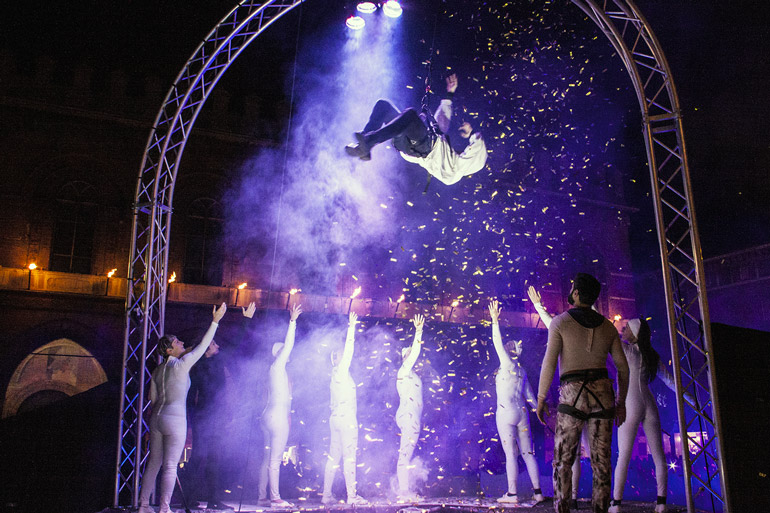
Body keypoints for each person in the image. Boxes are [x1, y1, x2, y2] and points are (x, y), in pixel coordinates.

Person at [535, 274, 629, 513]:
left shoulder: (560, 323)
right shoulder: (608, 326)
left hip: (572, 394)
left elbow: (549, 362)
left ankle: (563, 509)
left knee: (563, 462)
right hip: (603, 395)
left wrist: (541, 398)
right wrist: (621, 402)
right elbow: (623, 368)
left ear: (576, 293)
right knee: (602, 464)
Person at [138, 303, 228, 513]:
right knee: (170, 466)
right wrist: (215, 322)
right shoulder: (182, 364)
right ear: (169, 350)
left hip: (157, 417)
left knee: (154, 463)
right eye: (177, 342)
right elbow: (202, 346)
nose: (182, 343)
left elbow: (152, 399)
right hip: (174, 417)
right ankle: (164, 508)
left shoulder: (158, 370)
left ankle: (143, 505)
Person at [344, 74, 488, 186]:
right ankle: (364, 146)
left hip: (422, 147)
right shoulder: (446, 148)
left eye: (466, 152)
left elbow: (479, 153)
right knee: (383, 106)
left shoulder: (456, 170)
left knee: (410, 115)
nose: (464, 151)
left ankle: (368, 141)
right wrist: (449, 94)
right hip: (408, 142)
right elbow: (441, 121)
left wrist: (472, 134)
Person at [610, 318, 687, 513]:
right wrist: (690, 399)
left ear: (635, 333)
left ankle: (616, 504)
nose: (623, 329)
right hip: (649, 403)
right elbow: (670, 381)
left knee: (623, 455)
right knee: (659, 455)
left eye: (627, 327)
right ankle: (661, 503)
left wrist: (593, 308)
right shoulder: (651, 355)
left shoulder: (626, 351)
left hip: (630, 402)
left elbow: (606, 332)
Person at [528, 286, 590, 510]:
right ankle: (580, 497)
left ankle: (566, 499)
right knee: (589, 450)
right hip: (594, 393)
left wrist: (538, 306)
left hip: (573, 394)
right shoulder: (596, 324)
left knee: (569, 450)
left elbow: (552, 325)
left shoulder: (566, 325)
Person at [487, 300, 546, 504]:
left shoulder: (506, 363)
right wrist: (540, 412)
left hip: (506, 413)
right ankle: (538, 492)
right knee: (528, 453)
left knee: (511, 454)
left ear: (509, 350)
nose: (505, 346)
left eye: (508, 346)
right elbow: (530, 398)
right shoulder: (522, 371)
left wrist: (494, 321)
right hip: (522, 413)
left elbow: (496, 342)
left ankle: (512, 494)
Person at [257, 304, 303, 508]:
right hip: (277, 418)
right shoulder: (278, 366)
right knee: (275, 459)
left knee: (267, 458)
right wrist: (292, 322)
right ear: (279, 353)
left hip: (268, 416)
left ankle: (262, 497)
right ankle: (275, 498)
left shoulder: (275, 370)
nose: (288, 352)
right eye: (284, 350)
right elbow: (290, 344)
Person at [321, 312, 368, 505]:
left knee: (333, 458)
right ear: (336, 359)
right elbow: (349, 350)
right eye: (339, 354)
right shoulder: (340, 370)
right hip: (346, 419)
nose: (342, 354)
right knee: (349, 457)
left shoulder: (334, 375)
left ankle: (326, 495)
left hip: (335, 419)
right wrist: (351, 327)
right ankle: (352, 496)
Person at [395, 314, 425, 501]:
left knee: (407, 453)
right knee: (405, 454)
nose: (412, 357)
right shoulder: (404, 371)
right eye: (409, 355)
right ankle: (404, 492)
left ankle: (405, 489)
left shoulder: (413, 374)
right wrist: (418, 331)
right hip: (408, 416)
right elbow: (414, 353)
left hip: (412, 417)